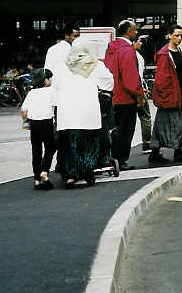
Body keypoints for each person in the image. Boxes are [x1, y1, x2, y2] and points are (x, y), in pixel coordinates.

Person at [52, 40, 114, 188]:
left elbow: (55, 85)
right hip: (88, 112)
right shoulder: (95, 64)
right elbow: (109, 82)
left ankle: (70, 176)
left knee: (69, 144)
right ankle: (87, 173)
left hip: (66, 113)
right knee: (89, 143)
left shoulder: (61, 65)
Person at [150, 24, 182, 164]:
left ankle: (156, 152)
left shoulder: (177, 51)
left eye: (181, 36)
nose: (179, 38)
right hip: (171, 96)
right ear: (169, 35)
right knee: (176, 124)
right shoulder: (164, 55)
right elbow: (161, 79)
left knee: (164, 124)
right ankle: (177, 152)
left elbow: (179, 75)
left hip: (176, 94)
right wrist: (167, 96)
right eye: (177, 35)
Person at [104, 20, 145, 171]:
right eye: (134, 30)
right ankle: (121, 159)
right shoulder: (127, 50)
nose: (136, 32)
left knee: (115, 129)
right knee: (126, 130)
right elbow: (130, 77)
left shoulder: (111, 48)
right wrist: (139, 94)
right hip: (126, 97)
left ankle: (112, 157)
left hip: (113, 95)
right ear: (128, 31)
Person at [20, 68, 56, 190]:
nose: (51, 80)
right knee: (50, 147)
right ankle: (44, 171)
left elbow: (23, 111)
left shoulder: (31, 93)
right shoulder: (52, 91)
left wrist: (26, 121)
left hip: (34, 124)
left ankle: (36, 179)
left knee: (36, 151)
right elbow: (57, 105)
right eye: (50, 78)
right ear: (45, 80)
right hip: (47, 123)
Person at [133, 36, 153, 153]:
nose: (141, 43)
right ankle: (147, 143)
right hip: (138, 90)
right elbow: (138, 75)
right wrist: (142, 89)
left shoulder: (131, 54)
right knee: (145, 117)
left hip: (132, 90)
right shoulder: (137, 57)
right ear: (134, 42)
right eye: (139, 41)